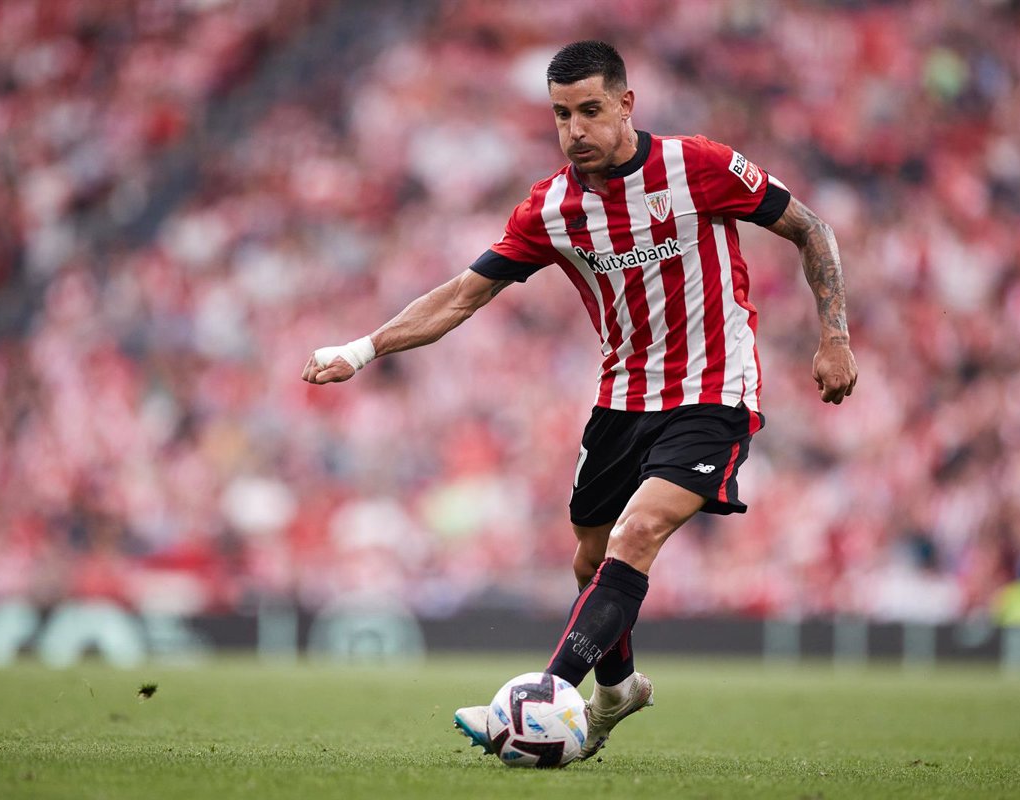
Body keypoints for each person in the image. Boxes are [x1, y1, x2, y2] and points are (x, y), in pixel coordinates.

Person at [302, 40, 858, 760]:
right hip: (621, 397)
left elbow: (811, 227)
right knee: (590, 560)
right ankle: (617, 690)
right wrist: (361, 349)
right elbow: (463, 296)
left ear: (627, 104)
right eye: (561, 115)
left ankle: (537, 699)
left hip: (714, 390)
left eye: (590, 110)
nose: (575, 130)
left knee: (636, 535)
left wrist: (834, 337)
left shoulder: (699, 166)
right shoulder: (552, 208)